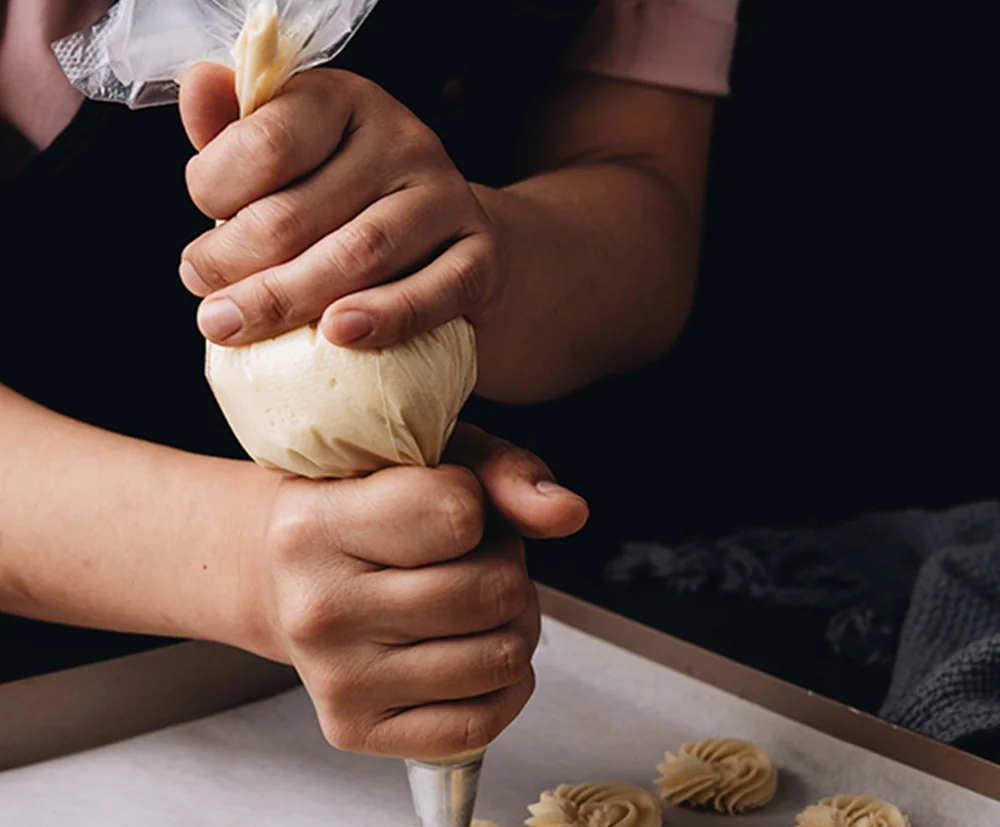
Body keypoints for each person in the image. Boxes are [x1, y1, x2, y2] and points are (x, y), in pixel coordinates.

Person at [0, 0, 739, 756]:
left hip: (545, 600)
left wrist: (479, 264)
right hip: (54, 688)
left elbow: (645, 195)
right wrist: (243, 559)